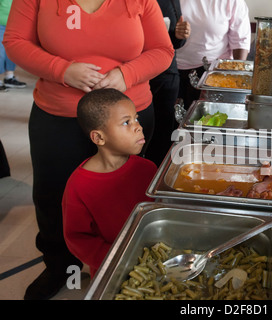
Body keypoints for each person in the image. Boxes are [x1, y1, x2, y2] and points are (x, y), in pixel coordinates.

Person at [3, 0, 174, 300]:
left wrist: (127, 74)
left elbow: (163, 50)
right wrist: (62, 70)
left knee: (124, 193)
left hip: (128, 114)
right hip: (58, 114)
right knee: (54, 194)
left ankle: (124, 260)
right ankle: (60, 267)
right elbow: (15, 41)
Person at [62, 89, 158, 278]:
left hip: (154, 260)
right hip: (112, 267)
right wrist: (119, 258)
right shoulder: (78, 185)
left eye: (136, 118)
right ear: (99, 137)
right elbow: (78, 238)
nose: (138, 127)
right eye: (126, 122)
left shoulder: (147, 168)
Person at [176, 0, 251, 110]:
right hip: (173, 70)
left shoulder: (233, 2)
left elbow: (241, 42)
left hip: (214, 73)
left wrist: (237, 80)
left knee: (205, 120)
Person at [146, 0, 190, 166]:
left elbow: (175, 40)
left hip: (166, 75)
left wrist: (180, 35)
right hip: (134, 77)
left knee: (164, 135)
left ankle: (156, 178)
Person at [0, 0, 26, 91]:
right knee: (1, 53)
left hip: (14, 25)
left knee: (12, 52)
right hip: (1, 25)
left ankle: (9, 77)